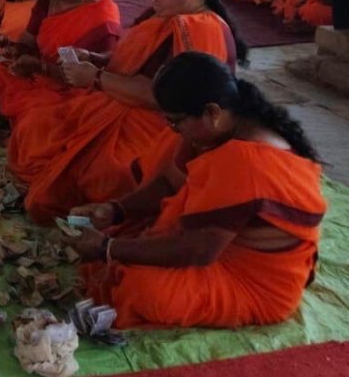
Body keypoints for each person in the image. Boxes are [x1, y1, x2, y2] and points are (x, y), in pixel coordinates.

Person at [67, 53, 325, 329]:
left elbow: (199, 251)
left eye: (176, 122)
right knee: (130, 248)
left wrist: (108, 248)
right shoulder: (221, 127)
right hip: (219, 244)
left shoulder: (244, 159)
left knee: (140, 289)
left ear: (212, 112)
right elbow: (170, 182)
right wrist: (116, 209)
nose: (174, 130)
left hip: (256, 282)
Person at [11, 0, 247, 221]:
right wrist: (96, 58)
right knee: (36, 126)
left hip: (161, 125)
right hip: (115, 102)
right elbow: (130, 57)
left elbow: (165, 98)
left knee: (98, 173)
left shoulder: (197, 30)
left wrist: (96, 78)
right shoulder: (161, 14)